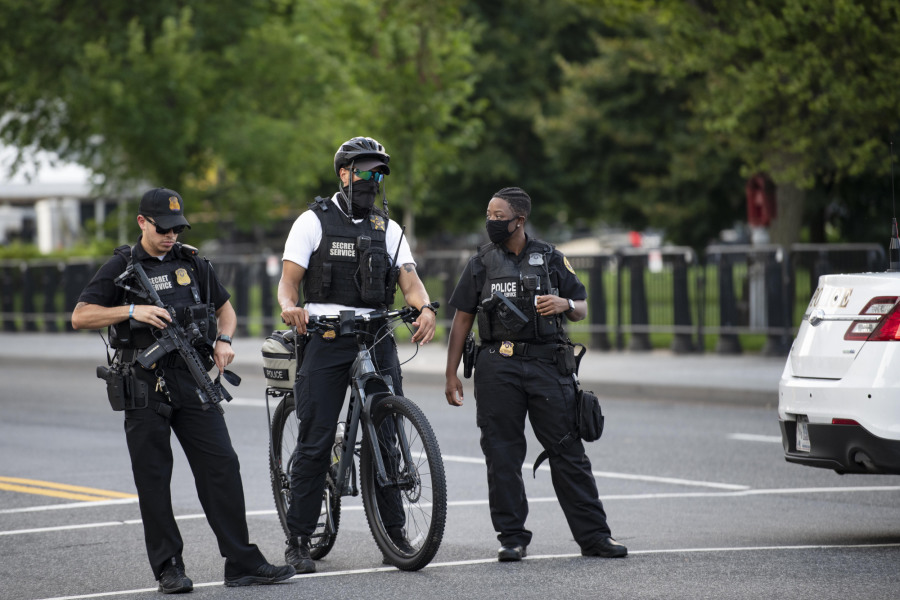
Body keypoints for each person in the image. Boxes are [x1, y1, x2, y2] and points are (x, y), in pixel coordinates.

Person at [72, 187, 295, 592]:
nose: (171, 236)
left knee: (222, 465)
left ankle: (241, 561)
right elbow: (81, 315)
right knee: (154, 478)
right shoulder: (122, 265)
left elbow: (226, 310)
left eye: (177, 228)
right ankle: (169, 567)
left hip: (191, 378)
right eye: (163, 229)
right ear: (142, 222)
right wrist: (133, 310)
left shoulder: (191, 261)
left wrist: (224, 340)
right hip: (143, 382)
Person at [277, 136, 436, 572]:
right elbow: (288, 283)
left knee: (387, 435)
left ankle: (394, 533)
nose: (373, 180)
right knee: (316, 439)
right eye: (365, 171)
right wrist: (290, 307)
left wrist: (424, 308)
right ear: (344, 174)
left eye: (379, 173)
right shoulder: (313, 221)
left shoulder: (389, 229)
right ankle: (298, 538)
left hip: (376, 335)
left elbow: (410, 282)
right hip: (327, 336)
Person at [443, 186, 627, 562]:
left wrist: (564, 303)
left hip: (547, 365)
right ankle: (512, 538)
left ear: (519, 220)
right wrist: (451, 373)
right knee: (502, 454)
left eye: (498, 216)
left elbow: (581, 307)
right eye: (489, 215)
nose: (491, 222)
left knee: (568, 450)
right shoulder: (480, 262)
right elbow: (462, 319)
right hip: (497, 366)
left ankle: (594, 537)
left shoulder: (550, 257)